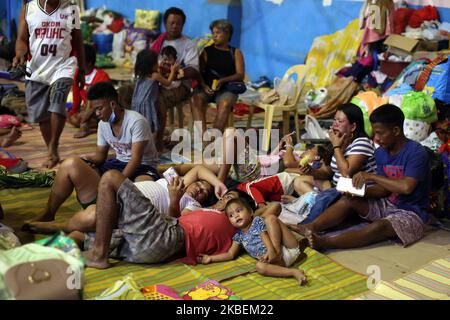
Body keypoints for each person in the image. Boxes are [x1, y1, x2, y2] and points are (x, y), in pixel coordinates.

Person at [23, 82, 159, 227]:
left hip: (144, 167)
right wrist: (84, 160)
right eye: (95, 109)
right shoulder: (103, 125)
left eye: (100, 108)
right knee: (71, 166)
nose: (97, 114)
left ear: (113, 104)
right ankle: (49, 213)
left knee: (141, 189)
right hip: (118, 165)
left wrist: (119, 184)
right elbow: (100, 156)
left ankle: (113, 216)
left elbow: (136, 160)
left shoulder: (136, 121)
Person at [299, 104, 431, 250]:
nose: (377, 139)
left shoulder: (416, 152)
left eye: (381, 133)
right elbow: (383, 190)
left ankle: (324, 243)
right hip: (387, 204)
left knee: (380, 226)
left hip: (412, 213)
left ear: (396, 130)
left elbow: (406, 187)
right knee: (349, 199)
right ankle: (309, 227)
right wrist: (360, 192)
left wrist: (371, 177)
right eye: (375, 134)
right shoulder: (381, 152)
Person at [77, 167, 250, 269]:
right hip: (150, 244)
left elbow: (268, 212)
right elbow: (197, 171)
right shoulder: (204, 210)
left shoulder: (235, 225)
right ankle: (53, 235)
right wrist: (219, 184)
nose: (228, 202)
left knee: (110, 177)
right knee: (79, 238)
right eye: (227, 197)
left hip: (167, 235)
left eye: (235, 203)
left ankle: (99, 255)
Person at [13, 0, 86, 168]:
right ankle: (51, 150)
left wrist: (81, 70)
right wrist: (20, 54)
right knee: (42, 115)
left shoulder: (72, 9)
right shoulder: (28, 9)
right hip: (37, 69)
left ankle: (54, 144)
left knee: (58, 100)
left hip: (63, 66)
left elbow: (78, 41)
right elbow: (22, 39)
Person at [198, 198, 307, 285]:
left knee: (270, 218)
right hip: (279, 262)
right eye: (231, 215)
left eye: (239, 211)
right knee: (260, 267)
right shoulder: (238, 236)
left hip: (287, 247)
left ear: (250, 212)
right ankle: (293, 272)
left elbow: (265, 236)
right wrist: (211, 258)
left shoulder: (256, 221)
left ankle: (277, 251)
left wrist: (272, 250)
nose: (236, 215)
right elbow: (230, 254)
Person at [284, 103, 377, 195]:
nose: (335, 125)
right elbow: (327, 172)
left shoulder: (362, 142)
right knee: (299, 181)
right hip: (336, 187)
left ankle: (315, 203)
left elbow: (346, 173)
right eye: (334, 120)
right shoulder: (341, 141)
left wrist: (336, 146)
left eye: (340, 121)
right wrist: (311, 170)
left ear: (353, 127)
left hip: (353, 193)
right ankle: (316, 202)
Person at [150, 7, 200, 152]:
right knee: (133, 93)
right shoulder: (158, 42)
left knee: (158, 100)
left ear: (182, 25)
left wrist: (179, 72)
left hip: (180, 86)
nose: (174, 26)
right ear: (165, 23)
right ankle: (140, 137)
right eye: (171, 23)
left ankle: (158, 142)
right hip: (158, 82)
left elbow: (194, 68)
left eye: (178, 23)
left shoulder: (188, 44)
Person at [190, 19, 245, 134]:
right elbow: (197, 72)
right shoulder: (206, 51)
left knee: (225, 104)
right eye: (213, 33)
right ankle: (204, 139)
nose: (214, 36)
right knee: (195, 100)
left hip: (226, 89)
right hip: (206, 88)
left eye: (218, 33)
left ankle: (214, 139)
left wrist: (223, 80)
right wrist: (204, 85)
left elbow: (240, 75)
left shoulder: (235, 52)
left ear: (227, 34)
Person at [131, 50, 179, 134]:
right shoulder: (155, 75)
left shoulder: (141, 74)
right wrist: (173, 71)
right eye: (156, 62)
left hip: (137, 103)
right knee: (150, 127)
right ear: (151, 65)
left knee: (140, 125)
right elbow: (168, 83)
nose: (158, 64)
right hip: (148, 104)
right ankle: (152, 143)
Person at [68, 44, 111, 139]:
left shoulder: (102, 77)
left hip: (101, 111)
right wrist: (73, 114)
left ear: (89, 63)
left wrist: (84, 116)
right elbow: (76, 99)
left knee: (90, 94)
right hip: (88, 111)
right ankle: (87, 125)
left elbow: (103, 104)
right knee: (73, 118)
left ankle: (85, 125)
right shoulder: (77, 75)